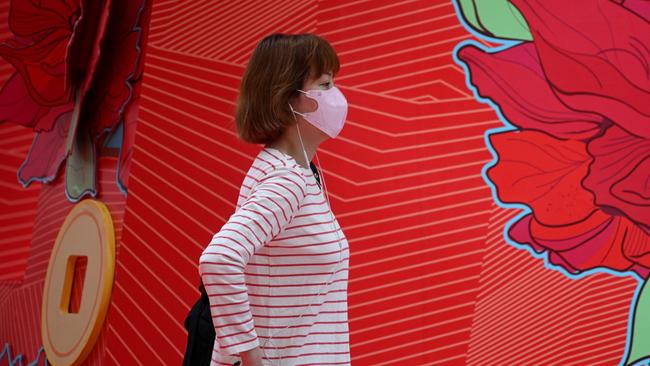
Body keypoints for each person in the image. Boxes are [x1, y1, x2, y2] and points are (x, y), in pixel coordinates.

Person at [198, 33, 350, 366]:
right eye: (325, 85)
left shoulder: (300, 173)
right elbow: (219, 258)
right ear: (288, 98)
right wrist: (250, 356)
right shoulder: (287, 180)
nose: (336, 96)